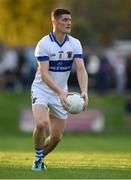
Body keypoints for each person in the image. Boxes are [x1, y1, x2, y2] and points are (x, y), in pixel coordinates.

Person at [31, 8, 88, 171]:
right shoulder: (44, 44)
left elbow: (81, 69)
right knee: (41, 124)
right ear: (54, 22)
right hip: (42, 89)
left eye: (69, 20)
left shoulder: (75, 43)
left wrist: (84, 91)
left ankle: (38, 159)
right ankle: (39, 159)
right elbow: (44, 73)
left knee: (56, 137)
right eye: (64, 20)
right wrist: (60, 92)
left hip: (62, 92)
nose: (68, 23)